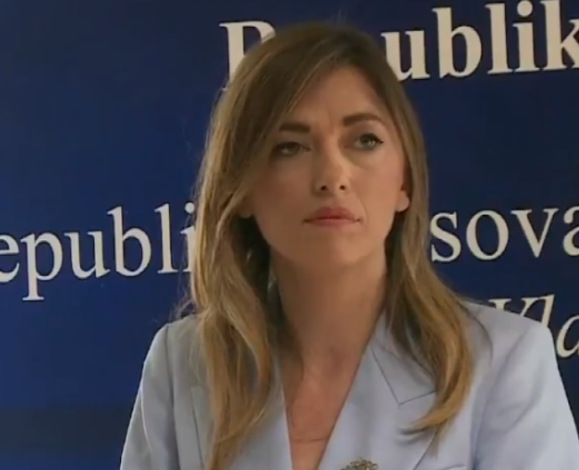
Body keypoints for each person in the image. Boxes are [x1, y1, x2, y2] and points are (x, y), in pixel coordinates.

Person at [119, 21, 579, 470]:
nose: (332, 176)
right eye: (290, 146)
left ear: (405, 182)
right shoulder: (181, 366)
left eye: (365, 140)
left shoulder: (504, 363)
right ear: (242, 189)